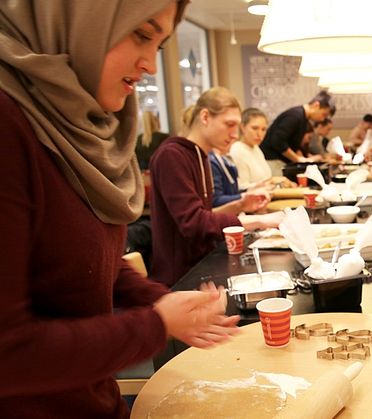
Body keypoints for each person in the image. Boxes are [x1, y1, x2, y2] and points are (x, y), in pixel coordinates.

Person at [0, 1, 241, 417]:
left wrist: (163, 302)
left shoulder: (81, 126)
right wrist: (156, 323)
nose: (149, 64)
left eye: (160, 46)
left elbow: (92, 264)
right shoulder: (9, 127)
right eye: (141, 34)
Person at [150, 87, 283, 287]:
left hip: (202, 267)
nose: (235, 134)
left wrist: (241, 204)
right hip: (182, 278)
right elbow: (193, 223)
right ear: (205, 117)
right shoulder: (172, 155)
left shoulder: (200, 155)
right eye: (229, 124)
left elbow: (206, 213)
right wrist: (261, 221)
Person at [259, 90, 335, 176]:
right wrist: (297, 159)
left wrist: (302, 157)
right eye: (323, 115)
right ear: (316, 105)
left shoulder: (303, 117)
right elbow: (277, 140)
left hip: (280, 162)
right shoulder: (295, 116)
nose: (322, 119)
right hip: (273, 161)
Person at [230, 107, 294, 189]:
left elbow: (266, 179)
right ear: (242, 127)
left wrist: (278, 182)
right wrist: (271, 181)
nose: (259, 134)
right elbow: (242, 188)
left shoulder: (256, 148)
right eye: (255, 128)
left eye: (263, 129)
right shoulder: (237, 150)